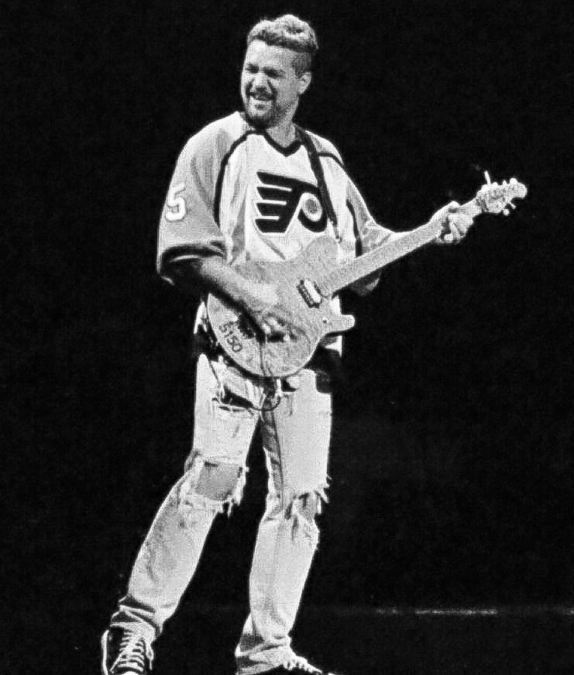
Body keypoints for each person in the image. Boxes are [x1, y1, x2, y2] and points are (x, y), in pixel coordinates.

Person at [101, 14, 474, 675]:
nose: (257, 82)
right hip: (232, 341)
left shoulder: (326, 160)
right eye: (251, 68)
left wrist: (430, 229)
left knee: (301, 494)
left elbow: (368, 258)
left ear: (303, 81)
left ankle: (267, 649)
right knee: (212, 475)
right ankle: (133, 629)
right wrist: (253, 298)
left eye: (274, 72)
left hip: (309, 354)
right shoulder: (215, 145)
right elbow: (182, 249)